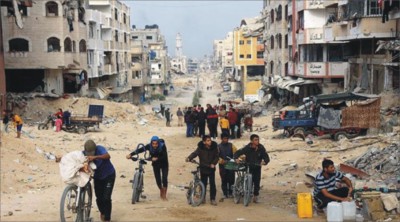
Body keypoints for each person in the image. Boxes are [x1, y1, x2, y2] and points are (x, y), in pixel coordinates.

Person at [126, 136, 169, 200]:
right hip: (155, 164)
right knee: (158, 179)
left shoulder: (162, 146)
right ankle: (161, 190)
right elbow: (140, 150)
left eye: (156, 144)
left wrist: (156, 158)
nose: (154, 145)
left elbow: (164, 156)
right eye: (153, 144)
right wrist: (131, 154)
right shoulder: (149, 146)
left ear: (158, 143)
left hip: (164, 163)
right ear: (151, 143)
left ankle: (164, 194)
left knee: (164, 178)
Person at [84, 140, 116, 222]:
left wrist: (95, 157)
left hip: (109, 175)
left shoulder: (100, 149)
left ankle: (107, 219)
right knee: (99, 198)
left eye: (92, 152)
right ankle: (102, 212)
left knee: (106, 198)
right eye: (88, 153)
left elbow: (108, 156)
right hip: (98, 178)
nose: (90, 154)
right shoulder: (84, 153)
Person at [233, 134, 270, 203]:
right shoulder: (247, 148)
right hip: (249, 166)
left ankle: (255, 196)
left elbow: (266, 157)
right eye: (255, 140)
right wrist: (236, 159)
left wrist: (264, 162)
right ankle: (246, 191)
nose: (257, 141)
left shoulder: (261, 148)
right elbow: (237, 153)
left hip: (257, 167)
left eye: (258, 139)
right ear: (251, 141)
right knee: (249, 180)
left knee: (257, 182)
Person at [186, 135, 219, 206]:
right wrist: (189, 157)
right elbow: (195, 153)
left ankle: (212, 199)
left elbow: (217, 157)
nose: (210, 141)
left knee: (212, 184)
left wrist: (213, 163)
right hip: (203, 168)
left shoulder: (214, 147)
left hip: (211, 168)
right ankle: (203, 198)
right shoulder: (200, 148)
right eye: (208, 140)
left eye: (210, 140)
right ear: (204, 142)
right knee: (203, 183)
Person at [218, 133, 237, 199]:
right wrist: (222, 161)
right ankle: (225, 193)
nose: (226, 140)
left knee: (231, 179)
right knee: (224, 179)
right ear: (222, 139)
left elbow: (236, 153)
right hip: (222, 166)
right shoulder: (218, 147)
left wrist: (236, 158)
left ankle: (231, 193)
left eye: (227, 138)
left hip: (231, 165)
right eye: (224, 139)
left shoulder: (231, 145)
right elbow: (216, 156)